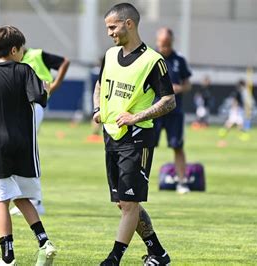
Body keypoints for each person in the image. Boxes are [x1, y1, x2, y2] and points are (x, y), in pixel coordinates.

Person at [0, 25, 57, 266]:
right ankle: (44, 242)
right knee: (23, 197)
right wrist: (45, 89)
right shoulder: (26, 71)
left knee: (0, 200)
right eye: (22, 50)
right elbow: (39, 99)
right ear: (15, 49)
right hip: (25, 147)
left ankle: (7, 257)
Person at [94, 3, 176, 265]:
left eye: (112, 27)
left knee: (130, 203)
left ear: (129, 23)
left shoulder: (153, 61)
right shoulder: (109, 55)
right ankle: (158, 253)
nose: (109, 33)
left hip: (138, 137)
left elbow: (169, 101)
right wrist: (97, 108)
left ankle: (113, 259)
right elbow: (100, 83)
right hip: (112, 136)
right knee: (124, 203)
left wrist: (135, 117)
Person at [9, 46, 69, 215]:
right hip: (27, 107)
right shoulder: (16, 63)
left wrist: (55, 84)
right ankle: (31, 200)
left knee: (25, 150)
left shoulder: (37, 54)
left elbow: (65, 62)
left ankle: (35, 201)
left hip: (34, 106)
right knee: (22, 150)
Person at [153, 27, 192, 194]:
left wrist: (179, 88)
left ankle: (182, 182)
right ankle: (140, 182)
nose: (165, 49)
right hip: (153, 111)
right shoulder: (150, 58)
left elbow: (188, 84)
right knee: (146, 146)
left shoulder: (179, 60)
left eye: (168, 45)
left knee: (177, 146)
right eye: (162, 45)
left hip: (175, 112)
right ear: (157, 43)